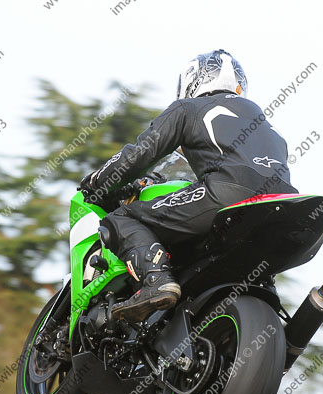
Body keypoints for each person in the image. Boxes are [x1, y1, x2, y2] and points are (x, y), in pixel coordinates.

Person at [80, 49, 298, 322]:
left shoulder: (189, 108)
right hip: (287, 205)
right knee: (256, 273)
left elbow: (141, 153)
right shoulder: (264, 123)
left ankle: (156, 280)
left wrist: (99, 179)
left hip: (228, 192)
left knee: (121, 217)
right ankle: (285, 333)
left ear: (193, 79)